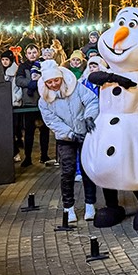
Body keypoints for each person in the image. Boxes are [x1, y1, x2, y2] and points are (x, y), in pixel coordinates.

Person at [36, 60, 99, 223]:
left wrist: (89, 117)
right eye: (49, 82)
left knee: (87, 170)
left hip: (84, 133)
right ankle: (68, 207)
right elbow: (51, 121)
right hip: (65, 138)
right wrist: (69, 134)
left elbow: (92, 101)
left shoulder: (76, 87)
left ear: (61, 77)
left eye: (56, 80)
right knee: (67, 171)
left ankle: (90, 204)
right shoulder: (44, 101)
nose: (54, 84)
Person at [14, 43, 50, 167]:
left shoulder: (44, 64)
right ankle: (28, 157)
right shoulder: (22, 67)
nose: (32, 55)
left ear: (38, 52)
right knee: (29, 132)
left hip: (43, 101)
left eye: (34, 52)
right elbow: (18, 80)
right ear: (26, 54)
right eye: (29, 53)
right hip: (29, 103)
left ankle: (44, 155)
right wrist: (31, 83)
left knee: (44, 131)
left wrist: (40, 81)